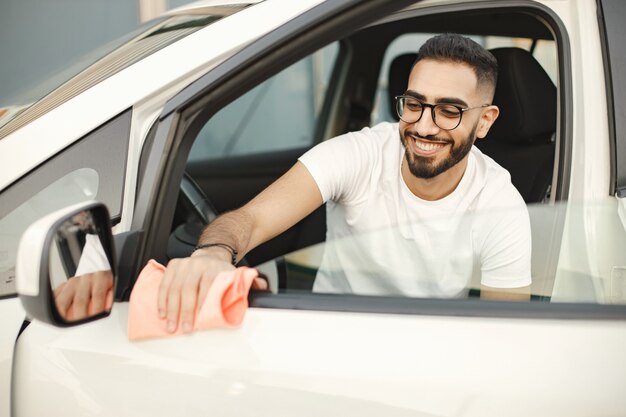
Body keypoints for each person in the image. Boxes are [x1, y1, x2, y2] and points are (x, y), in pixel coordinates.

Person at [158, 34, 532, 334]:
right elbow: (250, 219)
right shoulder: (360, 154)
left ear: (484, 122)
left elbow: (503, 338)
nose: (423, 126)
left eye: (449, 111)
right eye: (415, 104)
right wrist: (212, 254)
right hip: (328, 338)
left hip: (429, 364)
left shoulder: (501, 204)